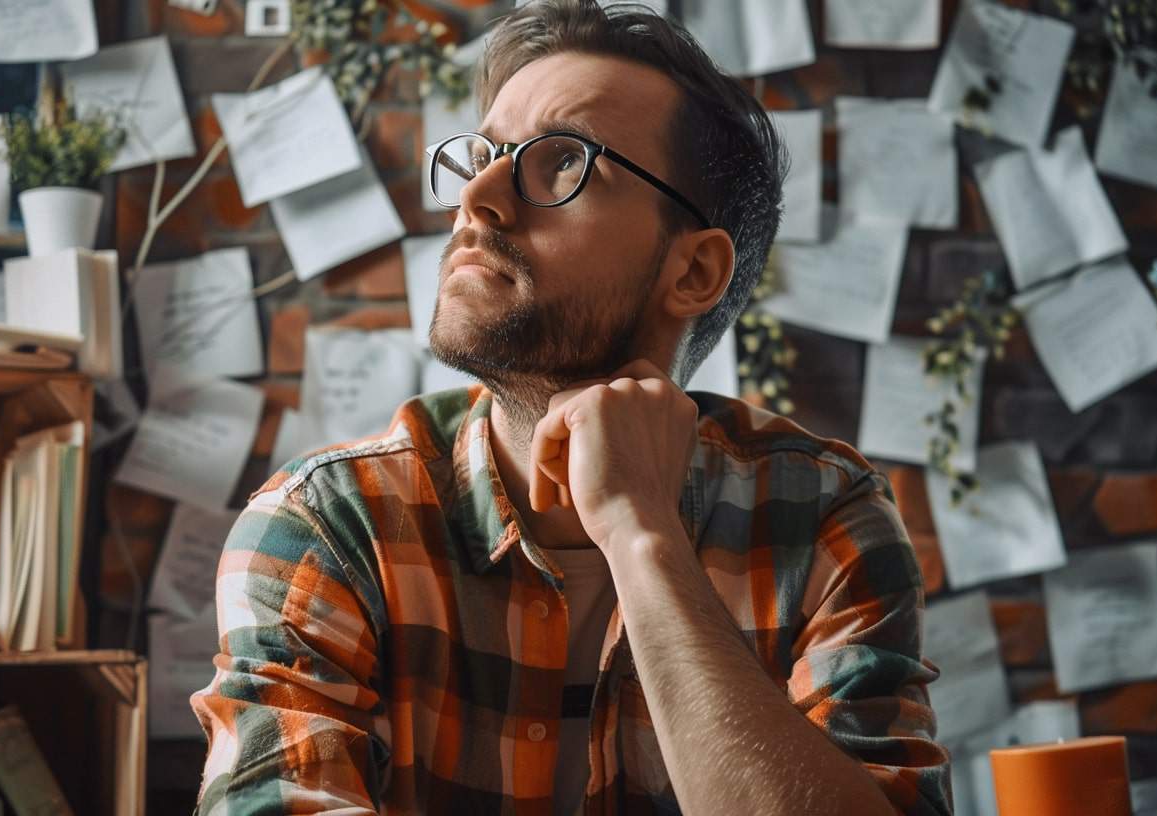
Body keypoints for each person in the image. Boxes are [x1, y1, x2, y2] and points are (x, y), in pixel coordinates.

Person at [191, 1, 951, 813]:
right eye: (483, 155)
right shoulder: (327, 530)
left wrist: (642, 536)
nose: (477, 198)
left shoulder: (825, 520)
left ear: (692, 271)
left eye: (560, 163)